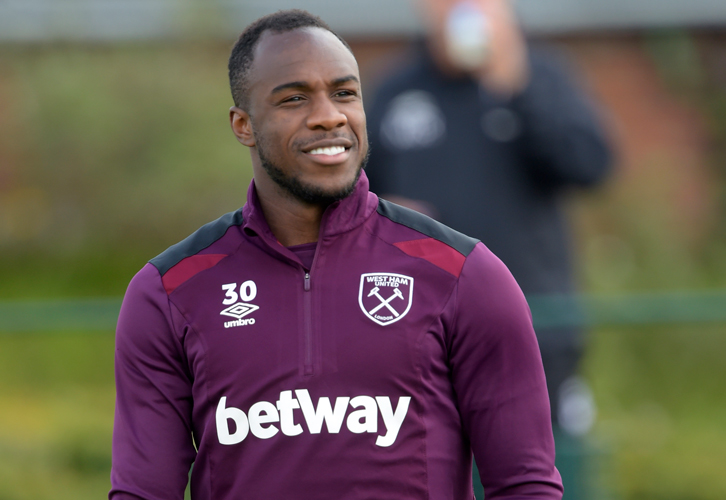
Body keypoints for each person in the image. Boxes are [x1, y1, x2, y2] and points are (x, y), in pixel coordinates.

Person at [110, 9, 562, 500]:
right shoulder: (169, 291)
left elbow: (525, 485)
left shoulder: (464, 275)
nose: (329, 115)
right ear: (244, 125)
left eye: (345, 93)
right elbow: (142, 493)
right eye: (294, 98)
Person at [365, 0, 612, 438]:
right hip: (424, 336)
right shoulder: (393, 90)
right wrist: (389, 215)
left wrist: (517, 89)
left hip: (535, 331)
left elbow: (590, 166)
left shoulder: (542, 75)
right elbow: (352, 201)